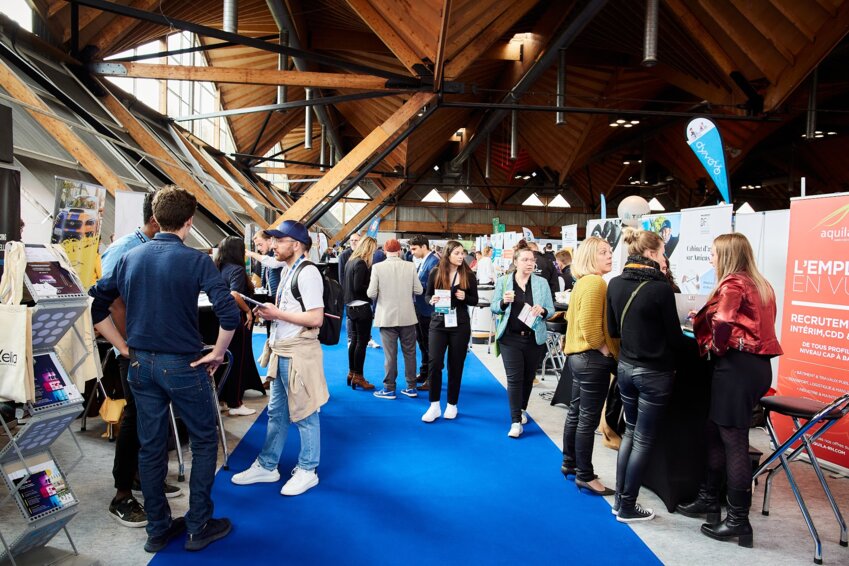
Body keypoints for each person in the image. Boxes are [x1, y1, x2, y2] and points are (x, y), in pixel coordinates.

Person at [90, 186, 238, 552]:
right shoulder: (198, 261)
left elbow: (97, 307)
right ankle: (197, 524)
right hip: (183, 365)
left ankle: (157, 528)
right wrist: (218, 353)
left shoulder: (129, 257)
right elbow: (230, 314)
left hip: (141, 364)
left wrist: (124, 348)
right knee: (203, 441)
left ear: (155, 217)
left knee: (151, 445)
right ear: (189, 222)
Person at [683, 233, 782, 547]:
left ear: (725, 255)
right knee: (716, 432)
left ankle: (738, 520)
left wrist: (714, 343)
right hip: (755, 368)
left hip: (737, 368)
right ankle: (710, 499)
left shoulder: (733, 284)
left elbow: (724, 325)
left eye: (713, 253)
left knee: (734, 441)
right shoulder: (760, 284)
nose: (710, 258)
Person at [98, 192, 182, 529]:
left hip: (153, 348)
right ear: (156, 220)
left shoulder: (151, 248)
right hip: (133, 350)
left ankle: (141, 478)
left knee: (153, 416)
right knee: (134, 418)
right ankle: (121, 495)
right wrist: (126, 345)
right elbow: (106, 302)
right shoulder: (124, 250)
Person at [232, 220, 329, 497]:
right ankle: (267, 464)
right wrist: (272, 312)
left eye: (279, 240)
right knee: (277, 412)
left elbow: (316, 317)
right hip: (282, 350)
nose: (273, 245)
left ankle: (308, 469)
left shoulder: (307, 273)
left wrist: (277, 314)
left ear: (296, 244)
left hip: (298, 352)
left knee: (305, 412)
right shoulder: (289, 269)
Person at [606, 228, 685, 523]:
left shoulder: (614, 284)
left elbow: (613, 330)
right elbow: (676, 339)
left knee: (630, 433)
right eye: (663, 251)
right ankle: (627, 506)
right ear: (651, 254)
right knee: (643, 438)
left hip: (626, 369)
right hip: (654, 374)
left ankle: (619, 502)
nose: (665, 257)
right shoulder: (660, 288)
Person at [561, 236, 619, 496]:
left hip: (578, 358)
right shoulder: (596, 283)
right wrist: (606, 351)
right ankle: (585, 475)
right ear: (589, 257)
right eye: (603, 252)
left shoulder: (584, 282)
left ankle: (570, 462)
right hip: (591, 358)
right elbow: (591, 328)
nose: (610, 256)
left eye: (609, 251)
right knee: (587, 419)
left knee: (576, 413)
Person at [491, 247, 554, 438]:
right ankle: (515, 421)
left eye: (531, 260)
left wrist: (542, 310)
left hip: (534, 338)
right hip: (510, 337)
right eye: (525, 259)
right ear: (516, 261)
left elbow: (550, 310)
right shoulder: (503, 282)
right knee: (514, 379)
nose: (529, 263)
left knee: (528, 378)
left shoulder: (542, 283)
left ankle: (522, 408)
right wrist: (503, 302)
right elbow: (494, 307)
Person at [422, 241, 478, 422]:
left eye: (462, 253)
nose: (461, 256)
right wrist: (432, 300)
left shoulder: (468, 274)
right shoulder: (435, 272)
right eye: (457, 253)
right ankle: (434, 405)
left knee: (456, 365)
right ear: (448, 255)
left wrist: (465, 297)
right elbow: (427, 295)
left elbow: (475, 300)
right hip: (438, 322)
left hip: (460, 324)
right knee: (435, 363)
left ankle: (452, 404)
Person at [367, 239, 423, 399]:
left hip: (386, 317)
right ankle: (411, 387)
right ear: (399, 251)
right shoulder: (410, 266)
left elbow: (371, 294)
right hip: (408, 316)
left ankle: (389, 388)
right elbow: (418, 290)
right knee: (410, 353)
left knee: (390, 355)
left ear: (385, 251)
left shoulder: (377, 267)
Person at [214, 236, 260, 417]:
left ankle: (223, 400)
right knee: (237, 361)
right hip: (237, 319)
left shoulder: (218, 268)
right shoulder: (238, 270)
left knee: (224, 360)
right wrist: (248, 311)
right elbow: (234, 293)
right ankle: (235, 403)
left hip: (220, 319)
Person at [343, 236, 377, 390]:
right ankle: (359, 376)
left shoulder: (350, 261)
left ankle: (352, 372)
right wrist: (372, 289)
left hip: (350, 307)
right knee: (361, 343)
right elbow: (358, 287)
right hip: (362, 307)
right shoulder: (361, 263)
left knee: (355, 341)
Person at [409, 235, 439, 390]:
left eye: (414, 248)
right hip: (420, 308)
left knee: (430, 345)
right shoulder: (424, 261)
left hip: (429, 310)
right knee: (422, 343)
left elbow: (433, 286)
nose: (412, 252)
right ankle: (425, 372)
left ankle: (432, 378)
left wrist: (413, 283)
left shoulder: (434, 261)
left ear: (423, 246)